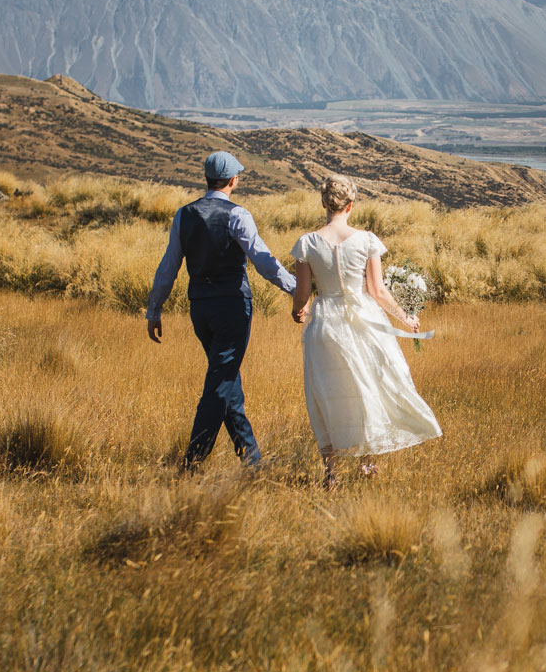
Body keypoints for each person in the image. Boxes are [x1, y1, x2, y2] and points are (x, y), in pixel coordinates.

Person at [145, 150, 297, 470]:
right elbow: (264, 262)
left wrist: (154, 309)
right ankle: (193, 459)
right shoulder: (237, 214)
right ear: (233, 180)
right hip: (232, 307)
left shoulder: (183, 215)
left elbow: (168, 268)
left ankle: (252, 459)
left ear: (207, 178)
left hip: (200, 308)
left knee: (225, 378)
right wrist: (298, 290)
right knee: (220, 381)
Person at [288, 174, 442, 488]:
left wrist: (298, 310)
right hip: (363, 321)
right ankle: (366, 464)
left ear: (323, 204)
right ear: (352, 205)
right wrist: (406, 320)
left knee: (328, 393)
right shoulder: (366, 240)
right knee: (367, 387)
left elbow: (303, 294)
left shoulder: (307, 243)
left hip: (325, 324)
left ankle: (331, 473)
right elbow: (378, 292)